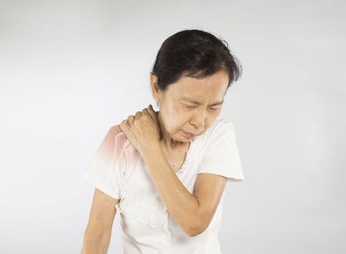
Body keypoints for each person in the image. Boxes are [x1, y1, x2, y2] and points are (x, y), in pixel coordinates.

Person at [81, 29, 245, 254]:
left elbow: (194, 222)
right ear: (156, 87)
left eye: (214, 107)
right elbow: (96, 239)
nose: (200, 121)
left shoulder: (219, 135)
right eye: (189, 105)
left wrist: (150, 148)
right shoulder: (119, 141)